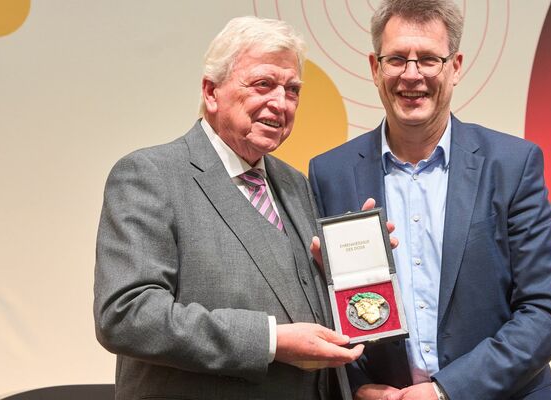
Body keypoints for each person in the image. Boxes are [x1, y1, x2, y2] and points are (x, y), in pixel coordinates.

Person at [308, 1, 551, 399]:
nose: (412, 76)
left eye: (429, 59)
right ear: (375, 68)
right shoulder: (331, 174)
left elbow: (545, 314)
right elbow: (321, 313)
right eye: (397, 59)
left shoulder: (512, 166)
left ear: (456, 66)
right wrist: (358, 387)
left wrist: (445, 391)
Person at [93, 16, 365, 400]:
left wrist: (357, 268)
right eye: (263, 84)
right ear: (211, 92)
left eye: (292, 90)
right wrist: (270, 341)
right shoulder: (150, 175)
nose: (280, 102)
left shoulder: (294, 183)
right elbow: (126, 315)